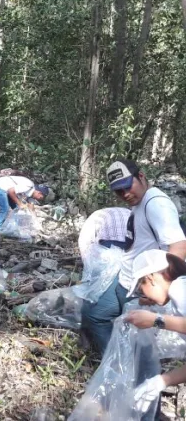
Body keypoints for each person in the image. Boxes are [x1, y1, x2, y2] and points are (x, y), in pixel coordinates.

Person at [81, 159, 186, 355]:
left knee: (138, 337)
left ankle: (129, 374)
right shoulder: (141, 202)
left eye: (128, 187)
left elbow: (179, 245)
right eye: (119, 191)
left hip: (141, 285)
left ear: (141, 176)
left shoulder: (157, 204)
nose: (125, 194)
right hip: (126, 278)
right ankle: (113, 363)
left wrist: (162, 287)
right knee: (94, 315)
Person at [124, 250, 186, 412]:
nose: (144, 296)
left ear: (150, 278)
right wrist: (162, 381)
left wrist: (156, 320)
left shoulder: (180, 288)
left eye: (140, 288)